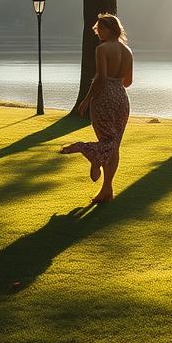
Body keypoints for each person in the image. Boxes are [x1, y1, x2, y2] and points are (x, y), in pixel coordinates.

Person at [61, 14, 133, 204]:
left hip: (104, 97)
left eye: (102, 29)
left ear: (112, 29)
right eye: (97, 29)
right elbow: (128, 82)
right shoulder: (128, 51)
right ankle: (107, 189)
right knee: (114, 144)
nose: (98, 32)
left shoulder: (102, 49)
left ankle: (85, 149)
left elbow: (101, 77)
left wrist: (86, 100)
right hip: (122, 99)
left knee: (107, 140)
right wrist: (116, 83)